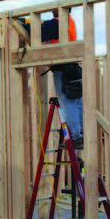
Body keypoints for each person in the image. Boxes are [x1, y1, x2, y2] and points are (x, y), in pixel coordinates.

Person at [23, 16, 84, 148]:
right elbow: (44, 26)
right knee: (77, 103)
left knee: (67, 104)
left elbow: (38, 33)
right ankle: (81, 135)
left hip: (63, 70)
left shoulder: (58, 22)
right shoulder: (69, 21)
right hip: (73, 69)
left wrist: (22, 25)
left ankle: (75, 138)